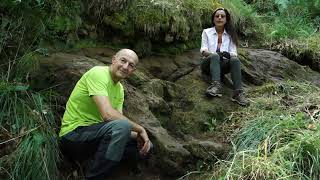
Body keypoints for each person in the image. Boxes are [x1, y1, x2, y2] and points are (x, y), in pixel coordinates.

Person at [59, 49, 152, 180]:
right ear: (113, 59)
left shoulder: (119, 89)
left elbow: (117, 124)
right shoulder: (98, 73)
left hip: (96, 137)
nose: (126, 67)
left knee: (143, 146)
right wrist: (139, 128)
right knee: (123, 128)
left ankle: (96, 166)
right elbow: (108, 115)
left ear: (133, 71)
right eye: (123, 60)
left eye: (131, 65)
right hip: (73, 136)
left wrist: (139, 137)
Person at [200, 7, 249, 106]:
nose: (219, 18)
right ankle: (216, 86)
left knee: (235, 60)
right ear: (213, 19)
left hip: (222, 65)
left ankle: (238, 93)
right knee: (214, 56)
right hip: (208, 64)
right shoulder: (206, 32)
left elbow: (234, 53)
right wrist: (215, 54)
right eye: (217, 16)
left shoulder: (231, 34)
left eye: (222, 16)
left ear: (226, 20)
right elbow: (203, 50)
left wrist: (226, 54)